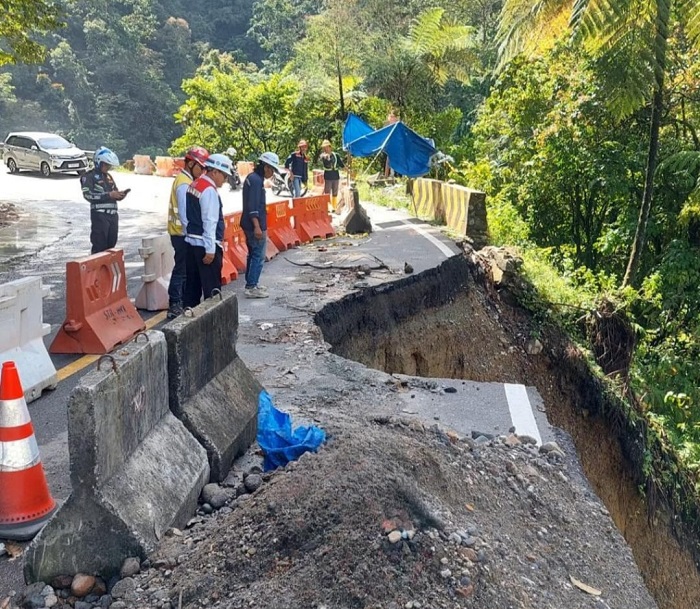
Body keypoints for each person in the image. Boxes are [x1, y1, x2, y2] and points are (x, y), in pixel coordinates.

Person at [183, 153, 232, 308]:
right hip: (205, 247)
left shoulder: (195, 184)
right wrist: (210, 250)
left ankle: (188, 317)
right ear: (215, 172)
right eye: (224, 176)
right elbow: (210, 222)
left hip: (191, 243)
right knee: (212, 293)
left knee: (192, 290)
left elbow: (185, 215)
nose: (225, 180)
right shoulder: (209, 190)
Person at [166, 146, 209, 319]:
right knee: (181, 270)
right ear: (191, 164)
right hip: (181, 234)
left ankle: (180, 302)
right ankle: (175, 303)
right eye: (201, 167)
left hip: (181, 233)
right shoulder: (184, 183)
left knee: (184, 269)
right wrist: (191, 235)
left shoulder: (185, 180)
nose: (203, 171)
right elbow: (185, 215)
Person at [241, 152, 281, 298]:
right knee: (258, 255)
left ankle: (251, 282)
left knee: (252, 254)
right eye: (272, 170)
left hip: (248, 223)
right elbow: (253, 206)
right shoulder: (256, 181)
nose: (272, 173)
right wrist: (257, 226)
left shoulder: (253, 178)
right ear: (266, 167)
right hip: (254, 225)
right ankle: (252, 286)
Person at [81, 147, 128, 254]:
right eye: (106, 165)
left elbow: (114, 191)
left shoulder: (109, 177)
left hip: (113, 216)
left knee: (111, 246)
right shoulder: (89, 176)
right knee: (99, 246)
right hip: (100, 216)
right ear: (99, 163)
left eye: (109, 165)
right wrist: (108, 195)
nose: (108, 167)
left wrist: (119, 195)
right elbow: (88, 195)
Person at [318, 139, 345, 210]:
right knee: (327, 192)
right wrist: (327, 157)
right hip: (328, 177)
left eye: (327, 147)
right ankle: (328, 207)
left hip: (336, 176)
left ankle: (334, 206)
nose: (325, 149)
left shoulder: (336, 155)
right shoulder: (323, 156)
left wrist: (347, 170)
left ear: (330, 147)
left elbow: (341, 164)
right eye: (324, 148)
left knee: (335, 192)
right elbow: (326, 163)